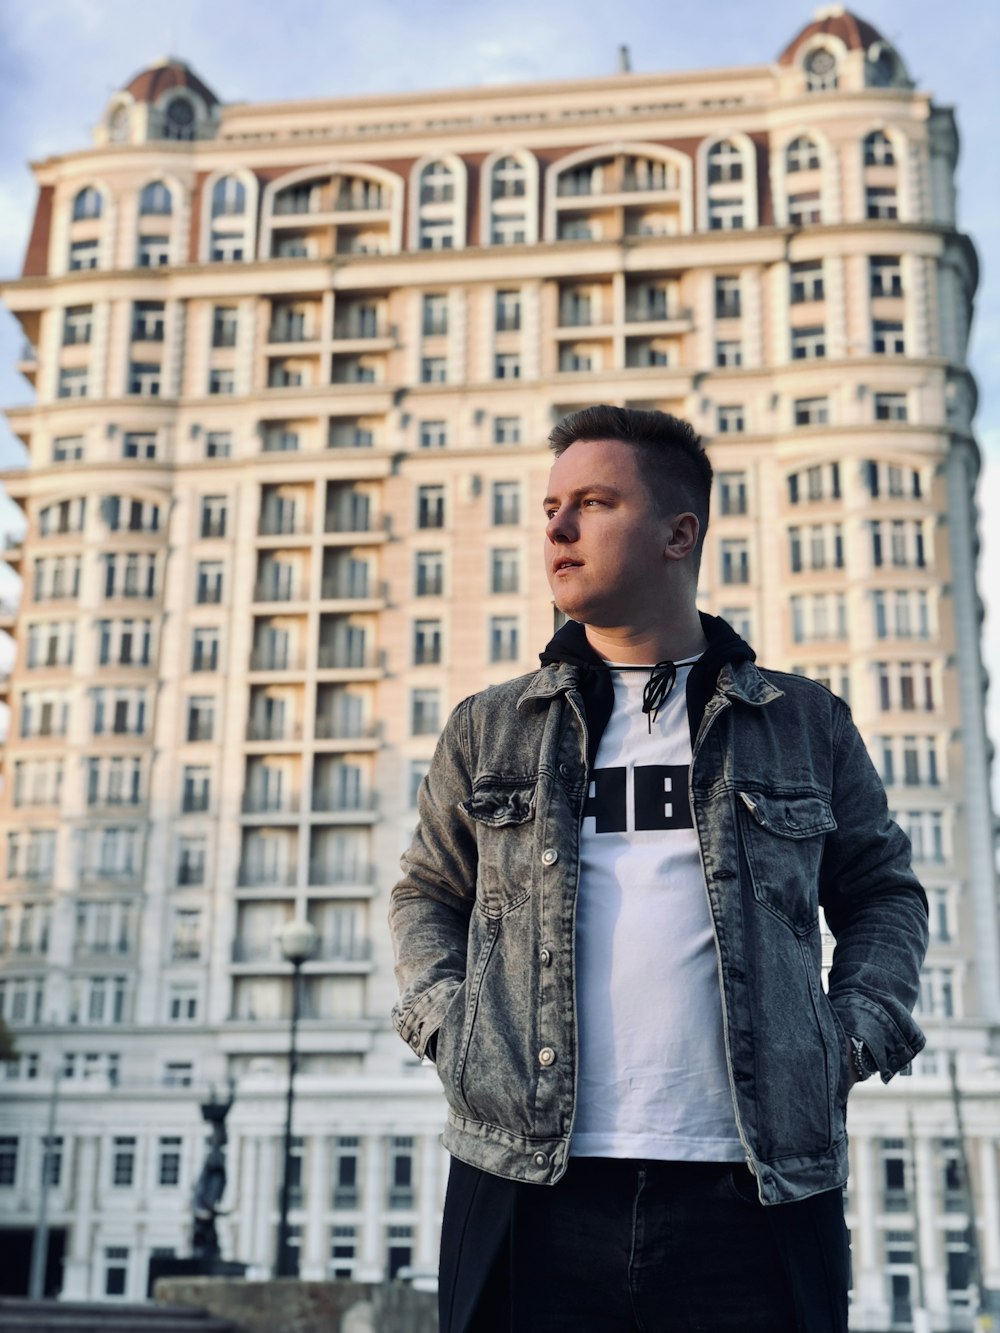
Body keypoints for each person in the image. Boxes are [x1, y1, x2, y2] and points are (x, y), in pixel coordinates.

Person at [390, 406, 928, 1332]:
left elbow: (883, 892)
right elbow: (427, 894)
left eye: (593, 503)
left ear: (681, 533)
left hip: (756, 1187)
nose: (556, 529)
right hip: (524, 1178)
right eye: (551, 506)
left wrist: (851, 1036)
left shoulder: (804, 721)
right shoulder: (490, 726)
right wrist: (452, 1026)